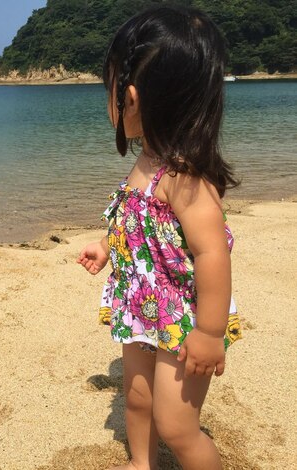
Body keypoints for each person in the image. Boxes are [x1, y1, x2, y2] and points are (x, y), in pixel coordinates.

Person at [76, 5, 242, 470]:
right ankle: (140, 463)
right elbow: (139, 222)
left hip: (185, 318)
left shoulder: (187, 178)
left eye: (107, 86)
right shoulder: (148, 157)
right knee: (138, 398)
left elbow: (212, 254)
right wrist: (109, 247)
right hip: (141, 305)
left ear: (130, 96)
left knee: (178, 427)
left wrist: (209, 334)